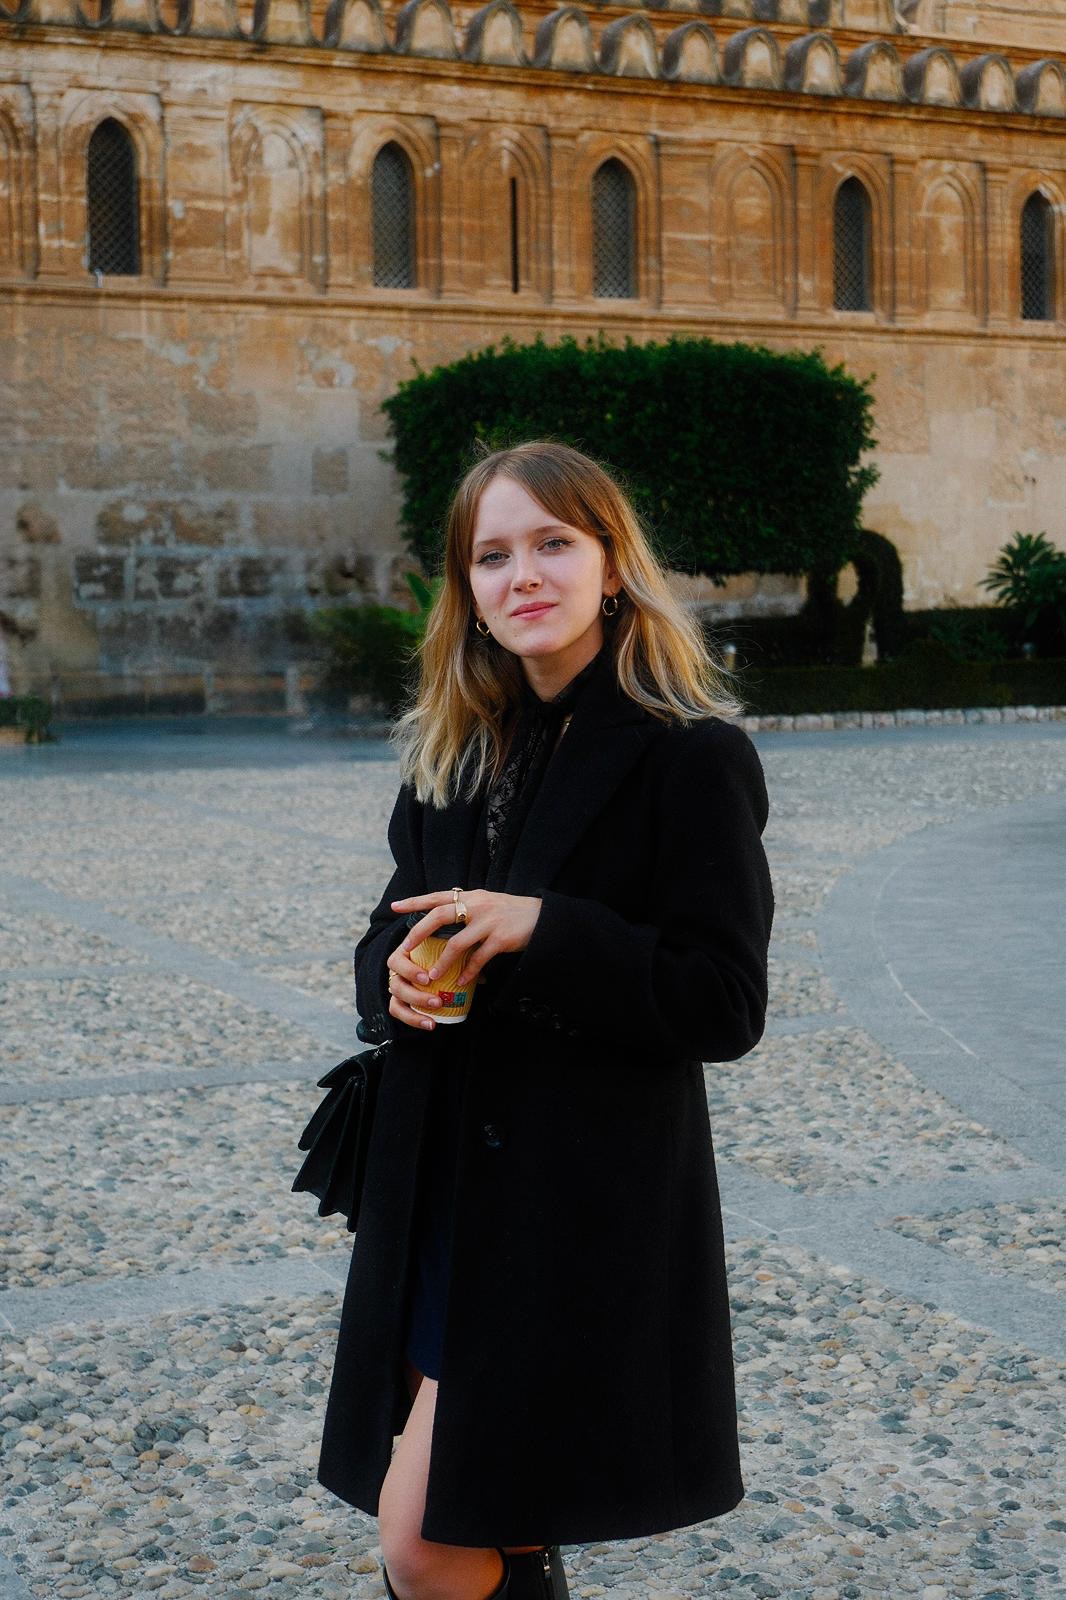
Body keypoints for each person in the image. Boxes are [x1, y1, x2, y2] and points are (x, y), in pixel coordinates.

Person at [316, 441, 775, 1600]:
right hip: (437, 1197)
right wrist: (397, 982)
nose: (522, 573)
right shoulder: (448, 754)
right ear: (465, 588)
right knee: (475, 1520)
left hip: (575, 1209)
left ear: (612, 564)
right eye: (491, 554)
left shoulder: (692, 756)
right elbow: (386, 935)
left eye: (552, 543)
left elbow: (723, 1000)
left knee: (423, 1538)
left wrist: (548, 929)